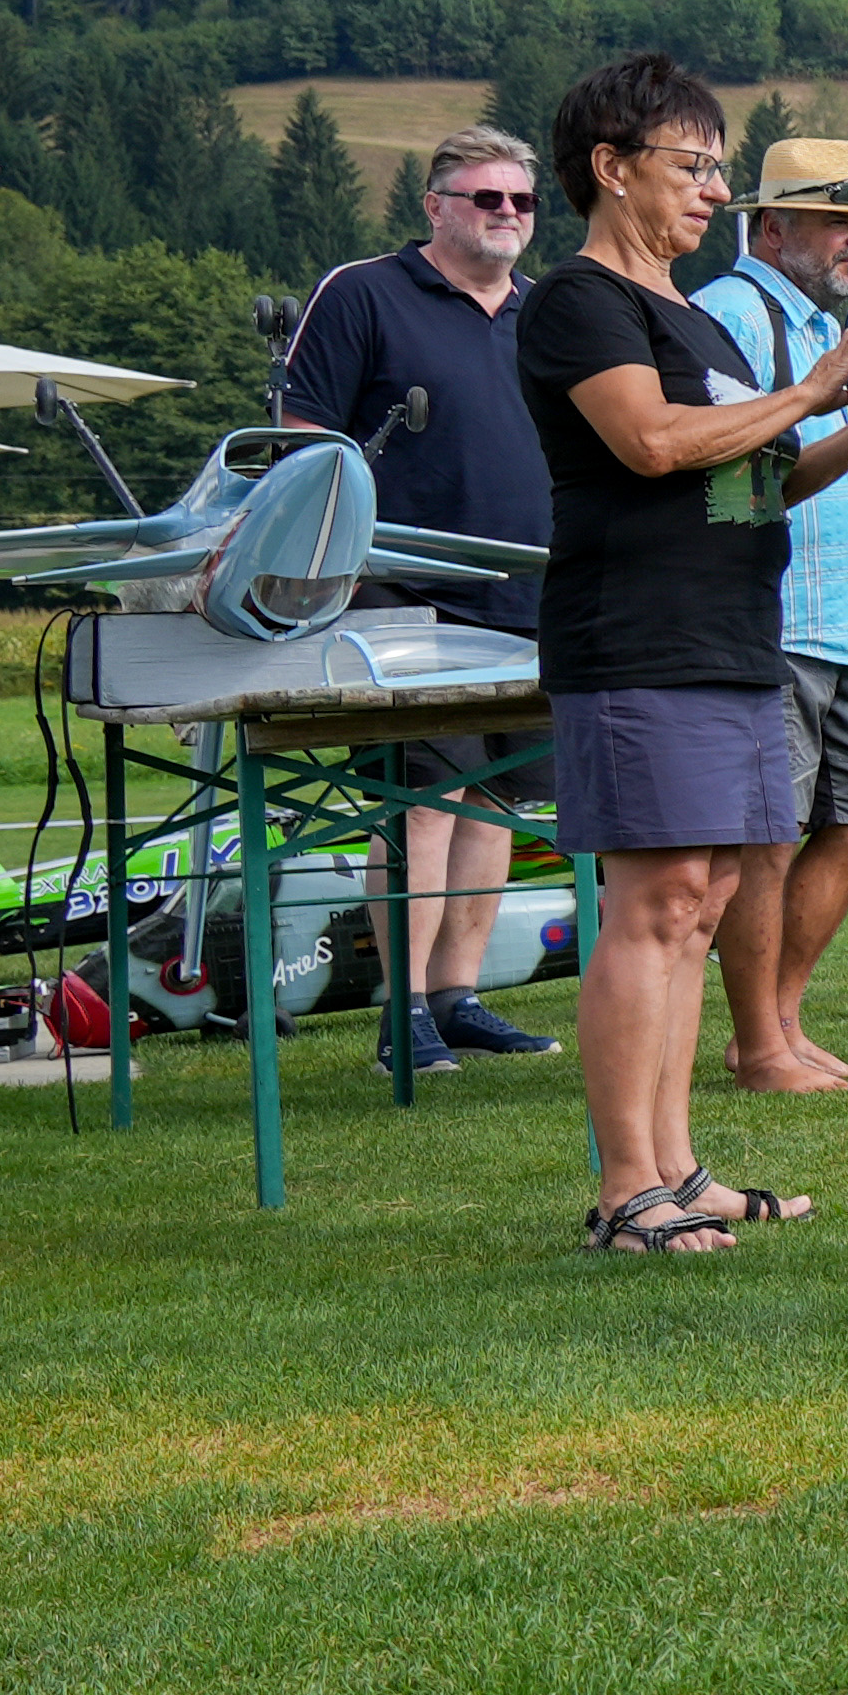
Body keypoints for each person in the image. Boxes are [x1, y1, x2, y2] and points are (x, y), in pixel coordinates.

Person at [517, 55, 848, 1253]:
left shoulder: (682, 314)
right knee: (657, 900)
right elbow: (654, 443)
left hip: (727, 635)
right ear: (611, 170)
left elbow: (759, 483)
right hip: (637, 640)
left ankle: (680, 1168)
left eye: (720, 169)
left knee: (707, 897)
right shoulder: (580, 302)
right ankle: (629, 1189)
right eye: (693, 166)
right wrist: (814, 386)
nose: (714, 192)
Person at [270, 125, 562, 1078]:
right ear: (435, 206)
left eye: (521, 201)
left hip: (527, 586)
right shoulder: (364, 292)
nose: (509, 215)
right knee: (422, 804)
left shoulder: (545, 311)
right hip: (401, 592)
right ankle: (403, 1014)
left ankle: (458, 996)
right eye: (488, 199)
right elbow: (304, 432)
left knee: (492, 803)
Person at [689, 135, 848, 1091]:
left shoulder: (824, 324)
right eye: (840, 223)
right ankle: (760, 1043)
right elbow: (736, 482)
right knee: (767, 839)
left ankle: (774, 1023)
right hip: (774, 618)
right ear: (773, 228)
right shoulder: (727, 314)